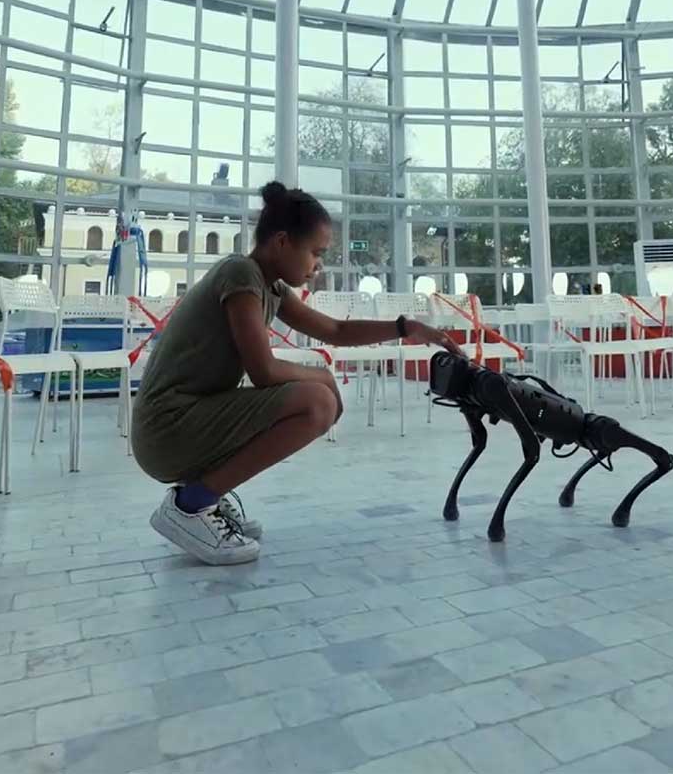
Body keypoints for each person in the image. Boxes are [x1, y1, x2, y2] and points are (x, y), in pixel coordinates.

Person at [131, 182, 460, 564]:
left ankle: (204, 498)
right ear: (282, 242)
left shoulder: (267, 285)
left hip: (184, 421)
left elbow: (334, 330)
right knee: (317, 403)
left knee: (318, 400)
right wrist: (321, 376)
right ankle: (190, 506)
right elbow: (264, 371)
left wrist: (405, 327)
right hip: (166, 430)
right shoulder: (240, 275)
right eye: (315, 253)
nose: (318, 265)